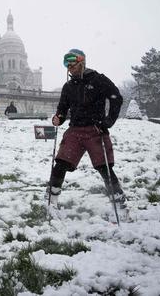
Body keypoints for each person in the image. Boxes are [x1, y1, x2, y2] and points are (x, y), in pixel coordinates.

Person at [47, 49, 126, 216]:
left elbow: (116, 97)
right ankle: (51, 202)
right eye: (66, 64)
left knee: (104, 168)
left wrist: (108, 122)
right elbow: (62, 109)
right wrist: (58, 118)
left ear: (82, 62)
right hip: (74, 131)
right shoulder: (68, 86)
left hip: (95, 131)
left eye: (72, 64)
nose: (69, 68)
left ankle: (119, 204)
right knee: (60, 164)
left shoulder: (98, 79)